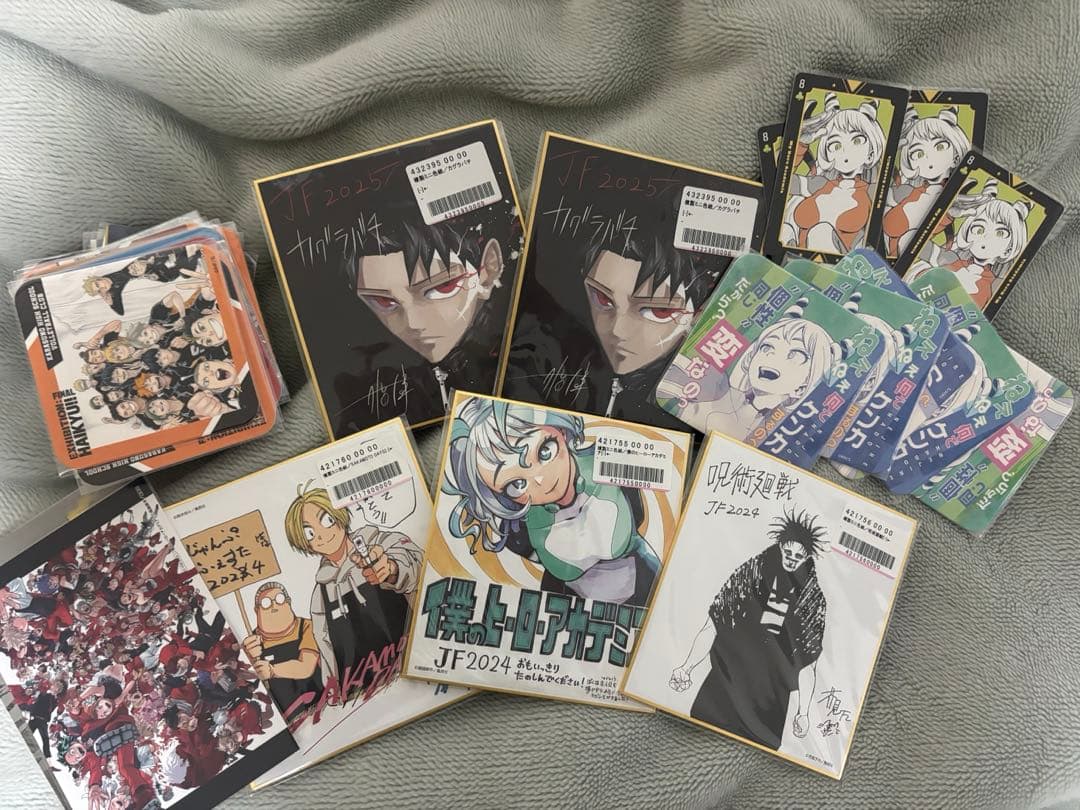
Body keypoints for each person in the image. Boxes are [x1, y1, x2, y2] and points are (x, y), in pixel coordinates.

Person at [443, 396, 658, 605]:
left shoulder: (607, 464)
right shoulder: (518, 529)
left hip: (644, 581)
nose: (540, 480)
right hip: (568, 606)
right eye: (516, 484)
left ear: (561, 431)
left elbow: (635, 513)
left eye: (544, 451)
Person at [669, 509, 828, 750]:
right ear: (780, 546)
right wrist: (687, 667)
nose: (791, 559)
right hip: (725, 682)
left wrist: (803, 712)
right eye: (788, 552)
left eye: (798, 556)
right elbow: (714, 624)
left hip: (769, 702)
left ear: (807, 558)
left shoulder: (812, 601)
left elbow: (808, 665)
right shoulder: (751, 573)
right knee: (689, 742)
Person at [283, 485, 420, 696]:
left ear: (340, 515)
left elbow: (418, 563)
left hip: (413, 667)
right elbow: (326, 646)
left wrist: (392, 570)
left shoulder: (379, 543)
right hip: (363, 692)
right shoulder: (321, 593)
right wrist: (334, 691)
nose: (322, 535)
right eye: (309, 532)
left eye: (326, 520)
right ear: (305, 543)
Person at [781, 92, 886, 253]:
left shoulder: (873, 192)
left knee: (821, 231)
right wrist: (800, 144)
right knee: (787, 228)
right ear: (828, 154)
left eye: (857, 141)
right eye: (836, 145)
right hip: (793, 260)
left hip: (840, 264)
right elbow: (783, 183)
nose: (845, 150)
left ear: (871, 153)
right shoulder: (820, 183)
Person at [240, 581, 323, 723]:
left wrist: (272, 670)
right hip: (286, 712)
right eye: (266, 603)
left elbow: (306, 667)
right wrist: (250, 660)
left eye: (279, 599)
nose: (274, 606)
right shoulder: (252, 642)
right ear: (257, 610)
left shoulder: (306, 626)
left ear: (288, 602)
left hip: (318, 699)